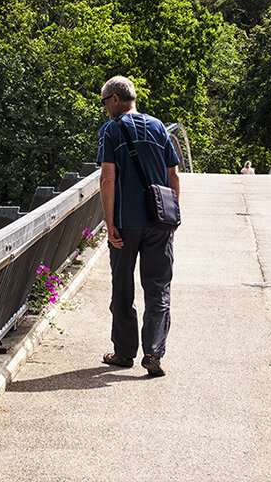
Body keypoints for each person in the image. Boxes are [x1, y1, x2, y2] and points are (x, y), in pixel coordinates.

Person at [97, 76, 181, 377]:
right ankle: (153, 353)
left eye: (105, 101)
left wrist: (110, 224)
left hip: (125, 222)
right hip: (159, 221)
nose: (104, 107)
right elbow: (174, 177)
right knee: (158, 288)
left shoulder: (111, 130)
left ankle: (123, 352)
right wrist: (172, 215)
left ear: (116, 99)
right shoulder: (159, 127)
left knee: (122, 287)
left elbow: (108, 179)